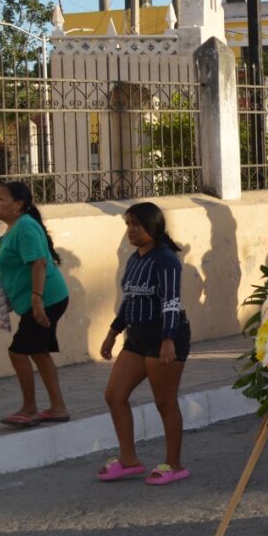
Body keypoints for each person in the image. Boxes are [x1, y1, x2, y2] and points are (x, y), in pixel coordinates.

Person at [98, 203, 192, 484]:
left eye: (136, 225)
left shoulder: (166, 260)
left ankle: (173, 464)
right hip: (136, 338)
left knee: (164, 402)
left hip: (164, 337)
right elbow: (130, 300)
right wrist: (113, 332)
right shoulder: (135, 259)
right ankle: (128, 459)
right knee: (114, 395)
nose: (131, 230)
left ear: (153, 227)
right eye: (128, 224)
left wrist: (167, 339)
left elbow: (171, 301)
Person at [0, 182, 70, 428]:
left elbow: (38, 263)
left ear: (18, 205)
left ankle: (29, 409)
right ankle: (58, 408)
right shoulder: (16, 228)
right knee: (38, 351)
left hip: (46, 298)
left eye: (2, 199)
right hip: (40, 299)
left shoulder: (25, 227)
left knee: (18, 352)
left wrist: (37, 301)